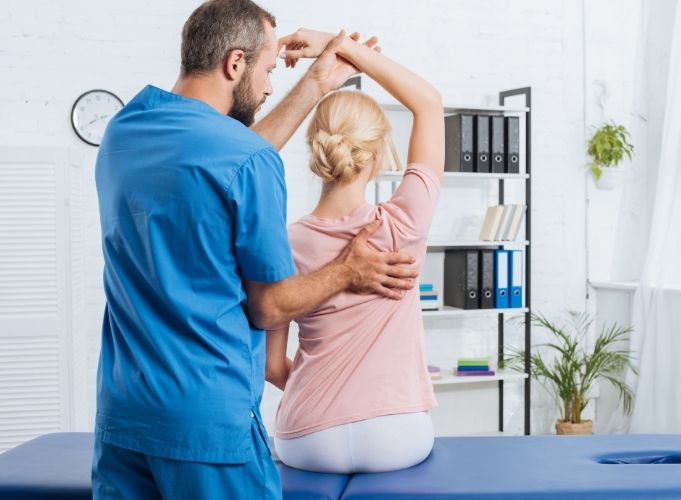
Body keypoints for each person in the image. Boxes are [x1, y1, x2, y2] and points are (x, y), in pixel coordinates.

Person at [91, 1, 416, 498]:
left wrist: (314, 86)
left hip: (124, 415)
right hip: (205, 425)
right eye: (267, 71)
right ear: (235, 63)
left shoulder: (124, 132)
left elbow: (224, 159)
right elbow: (269, 306)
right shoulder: (246, 160)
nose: (268, 88)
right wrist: (346, 270)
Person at [264, 28, 445, 474]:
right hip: (396, 434)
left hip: (305, 436)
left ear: (315, 149)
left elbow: (272, 367)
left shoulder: (281, 240)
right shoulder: (403, 223)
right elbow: (428, 102)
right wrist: (340, 44)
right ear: (379, 153)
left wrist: (324, 401)